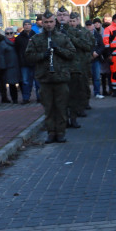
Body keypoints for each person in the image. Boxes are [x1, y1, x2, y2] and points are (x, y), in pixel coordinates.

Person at [25, 11, 76, 143]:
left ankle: (60, 133)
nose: (48, 25)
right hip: (45, 78)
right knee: (48, 108)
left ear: (55, 22)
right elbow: (28, 56)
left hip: (61, 78)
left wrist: (58, 49)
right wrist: (43, 55)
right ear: (42, 23)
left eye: (51, 22)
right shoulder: (36, 39)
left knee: (61, 108)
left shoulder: (62, 37)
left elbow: (71, 53)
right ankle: (51, 132)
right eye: (46, 22)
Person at [0, 26, 22, 104]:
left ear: (14, 33)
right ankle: (14, 99)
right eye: (7, 33)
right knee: (12, 84)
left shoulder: (17, 41)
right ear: (5, 34)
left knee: (22, 82)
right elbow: (1, 55)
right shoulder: (3, 43)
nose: (9, 34)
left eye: (11, 33)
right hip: (9, 66)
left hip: (19, 65)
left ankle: (25, 97)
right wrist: (3, 66)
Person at [15, 20, 35, 102]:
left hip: (35, 62)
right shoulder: (19, 38)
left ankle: (40, 97)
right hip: (24, 63)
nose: (27, 26)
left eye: (28, 24)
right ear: (23, 26)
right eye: (25, 24)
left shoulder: (35, 36)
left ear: (31, 25)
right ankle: (26, 98)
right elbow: (17, 50)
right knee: (25, 81)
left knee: (37, 82)